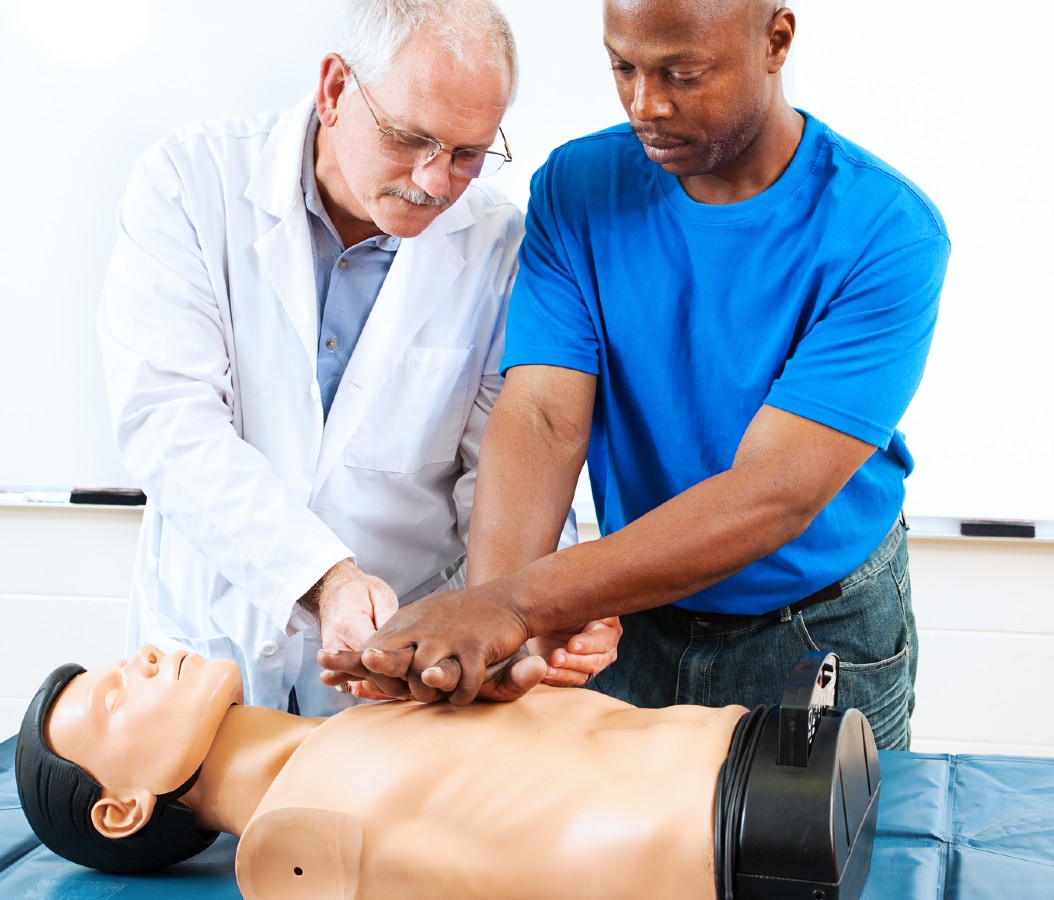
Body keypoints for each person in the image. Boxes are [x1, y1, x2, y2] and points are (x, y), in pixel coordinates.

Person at [326, 0, 949, 751]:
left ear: (775, 41)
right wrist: (499, 633)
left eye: (683, 74)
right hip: (629, 617)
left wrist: (515, 604)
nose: (646, 104)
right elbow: (544, 420)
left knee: (814, 865)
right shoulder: (578, 188)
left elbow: (773, 494)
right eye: (623, 67)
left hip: (816, 628)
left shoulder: (886, 230)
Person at [97, 0, 618, 717]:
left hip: (400, 675)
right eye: (410, 139)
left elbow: (502, 471)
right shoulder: (191, 183)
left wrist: (531, 609)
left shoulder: (499, 243)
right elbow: (168, 424)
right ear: (336, 89)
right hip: (211, 647)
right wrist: (324, 578)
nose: (435, 181)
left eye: (468, 154)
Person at [14, 646, 879, 899]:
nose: (148, 657)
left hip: (766, 752)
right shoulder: (289, 851)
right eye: (114, 702)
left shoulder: (352, 727)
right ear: (122, 810)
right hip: (749, 833)